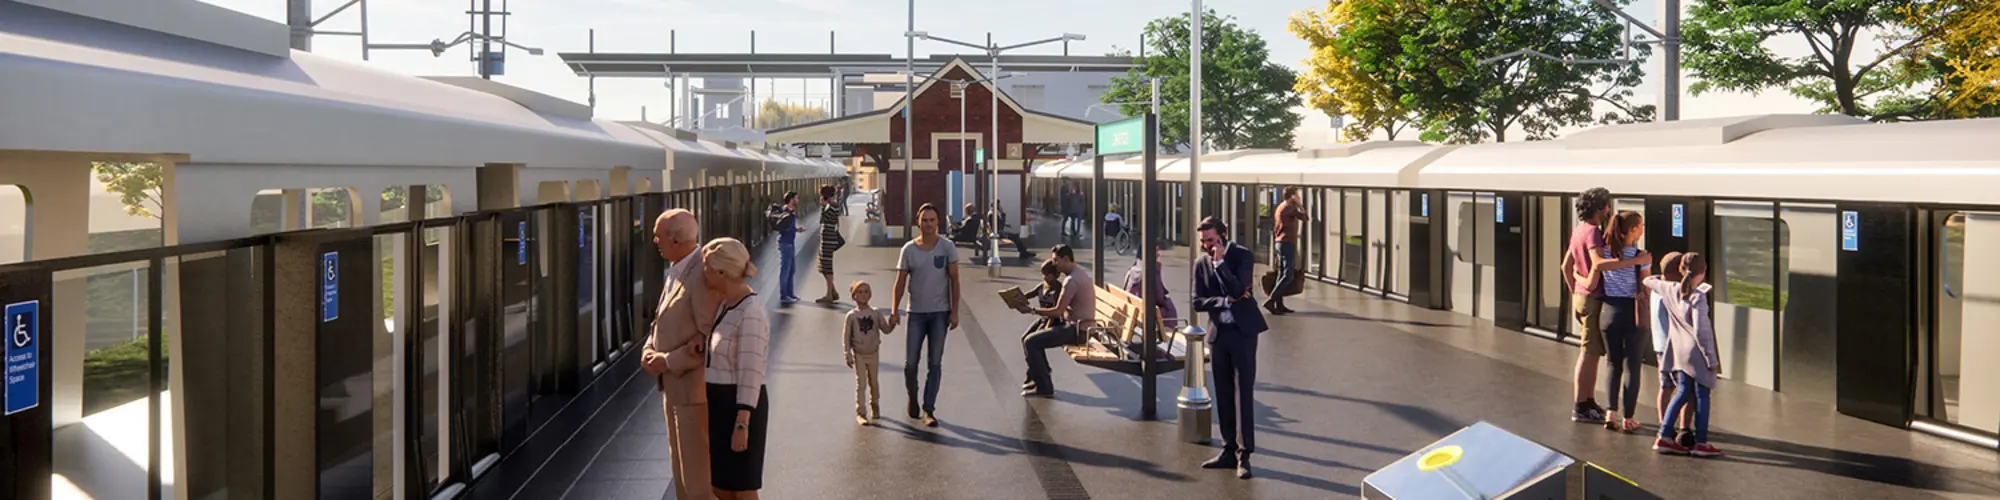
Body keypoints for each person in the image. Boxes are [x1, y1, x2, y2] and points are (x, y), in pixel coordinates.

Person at [641, 209, 717, 500]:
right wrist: (650, 348)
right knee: (682, 477)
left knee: (698, 483)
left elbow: (710, 338)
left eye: (658, 236)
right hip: (674, 390)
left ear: (675, 239)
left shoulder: (701, 275)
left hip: (693, 394)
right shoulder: (678, 268)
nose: (655, 241)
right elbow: (663, 320)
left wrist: (668, 360)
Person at [1558, 188, 1648, 423]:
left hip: (1581, 297)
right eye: (1606, 206)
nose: (1608, 210)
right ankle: (1581, 405)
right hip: (1594, 298)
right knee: (1589, 353)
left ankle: (1588, 401)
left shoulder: (1578, 230)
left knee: (1596, 353)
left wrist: (1575, 287)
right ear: (1600, 208)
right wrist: (1635, 261)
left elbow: (1566, 265)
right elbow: (1598, 264)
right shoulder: (1593, 234)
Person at [1192, 216, 1266, 480]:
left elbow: (1239, 286)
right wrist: (1224, 300)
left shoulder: (1242, 256)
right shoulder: (1200, 263)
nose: (1206, 246)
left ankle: (1244, 456)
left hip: (1243, 333)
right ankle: (1227, 450)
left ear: (1222, 237)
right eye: (1203, 241)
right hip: (1219, 334)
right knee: (1222, 393)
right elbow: (1197, 302)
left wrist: (1221, 264)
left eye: (1210, 241)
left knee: (1242, 393)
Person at [701, 238, 773, 498]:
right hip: (719, 405)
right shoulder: (725, 304)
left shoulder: (750, 310)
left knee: (742, 489)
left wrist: (742, 421)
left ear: (722, 271)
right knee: (721, 486)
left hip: (739, 406)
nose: (703, 272)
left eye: (707, 267)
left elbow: (751, 369)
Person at [1644, 253, 1723, 458]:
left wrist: (1659, 277)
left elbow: (1648, 280)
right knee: (1702, 395)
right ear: (1703, 272)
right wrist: (1711, 360)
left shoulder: (1669, 289)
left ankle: (1664, 435)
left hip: (1678, 353)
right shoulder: (1698, 297)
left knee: (1681, 392)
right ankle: (1701, 442)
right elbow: (1702, 332)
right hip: (1696, 355)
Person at [891, 203, 960, 427]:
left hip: (940, 313)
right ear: (918, 222)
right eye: (924, 220)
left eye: (932, 220)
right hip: (916, 313)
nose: (928, 224)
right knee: (911, 363)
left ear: (937, 223)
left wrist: (955, 311)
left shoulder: (947, 247)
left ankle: (928, 409)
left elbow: (955, 281)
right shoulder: (909, 250)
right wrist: (894, 310)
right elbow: (899, 283)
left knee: (935, 363)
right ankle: (912, 392)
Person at [1590, 211, 1650, 433]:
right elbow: (1645, 286)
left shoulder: (1605, 253)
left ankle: (1611, 412)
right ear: (1632, 230)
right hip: (1632, 313)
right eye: (1641, 225)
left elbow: (1597, 272)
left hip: (1608, 312)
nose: (1643, 229)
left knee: (1613, 364)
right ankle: (1629, 417)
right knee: (1632, 366)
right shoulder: (1641, 256)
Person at [1018, 245, 1095, 398]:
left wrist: (1032, 310)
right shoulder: (1077, 274)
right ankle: (1038, 375)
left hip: (1078, 330)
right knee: (1028, 337)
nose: (1054, 265)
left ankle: (1044, 386)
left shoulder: (1071, 281)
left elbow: (1058, 311)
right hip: (1074, 324)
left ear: (1066, 259)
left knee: (1031, 342)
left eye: (1056, 261)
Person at [1650, 251, 1696, 445]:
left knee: (1665, 387)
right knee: (1688, 389)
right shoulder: (1673, 292)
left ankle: (1663, 426)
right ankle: (1684, 429)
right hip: (1677, 348)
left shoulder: (1655, 289)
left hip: (1660, 346)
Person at [843, 281, 897, 426]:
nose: (863, 295)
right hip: (859, 354)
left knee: (874, 381)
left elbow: (885, 329)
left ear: (870, 294)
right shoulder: (851, 316)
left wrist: (892, 322)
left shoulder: (875, 313)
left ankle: (875, 404)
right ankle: (861, 412)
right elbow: (846, 336)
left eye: (866, 291)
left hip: (873, 352)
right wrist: (846, 352)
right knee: (861, 384)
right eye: (859, 292)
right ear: (853, 296)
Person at [1017, 259, 1065, 389]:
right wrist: (1016, 298)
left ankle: (1036, 372)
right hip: (1042, 318)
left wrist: (1047, 328)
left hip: (1053, 320)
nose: (1045, 277)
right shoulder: (1042, 286)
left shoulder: (1058, 289)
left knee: (1034, 342)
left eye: (1048, 275)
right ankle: (1038, 369)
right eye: (1043, 274)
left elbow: (1056, 311)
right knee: (1025, 338)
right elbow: (1030, 294)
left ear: (1056, 275)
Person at [1265, 187, 1309, 315]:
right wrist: (1300, 205)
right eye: (1297, 195)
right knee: (1288, 274)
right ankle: (1271, 300)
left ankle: (1279, 304)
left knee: (1281, 274)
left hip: (1280, 242)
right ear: (1292, 196)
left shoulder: (1281, 207)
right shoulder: (1289, 208)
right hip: (1286, 242)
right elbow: (1305, 217)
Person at [1123, 257, 1180, 329]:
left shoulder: (1131, 271)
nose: (1159, 255)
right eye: (1156, 252)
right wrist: (1158, 271)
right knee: (1169, 308)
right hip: (1147, 313)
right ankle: (1168, 333)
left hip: (1134, 310)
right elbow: (1160, 297)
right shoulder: (1152, 271)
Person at [816, 184, 848, 304]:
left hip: (829, 239)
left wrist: (822, 207)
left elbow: (823, 219)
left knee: (827, 266)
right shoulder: (833, 205)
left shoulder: (833, 206)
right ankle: (833, 292)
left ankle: (829, 294)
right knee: (823, 265)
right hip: (827, 238)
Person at [774, 192, 806, 303]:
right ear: (791, 199)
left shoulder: (789, 211)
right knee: (785, 269)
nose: (798, 200)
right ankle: (784, 295)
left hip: (789, 243)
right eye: (797, 198)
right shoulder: (787, 212)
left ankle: (790, 294)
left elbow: (787, 227)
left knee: (791, 269)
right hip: (785, 243)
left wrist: (797, 229)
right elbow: (784, 227)